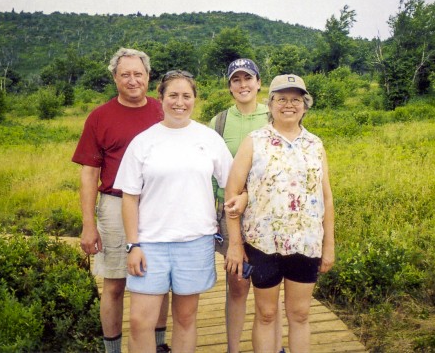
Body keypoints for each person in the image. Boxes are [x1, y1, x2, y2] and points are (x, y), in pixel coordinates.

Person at [113, 70, 233, 353]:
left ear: (194, 99)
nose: (180, 102)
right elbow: (129, 197)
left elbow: (232, 185)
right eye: (173, 95)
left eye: (186, 96)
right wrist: (133, 245)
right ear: (161, 98)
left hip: (196, 242)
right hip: (150, 243)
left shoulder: (209, 138)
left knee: (185, 317)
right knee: (140, 321)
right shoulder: (143, 141)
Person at [224, 74, 335, 353]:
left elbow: (326, 197)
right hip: (263, 244)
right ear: (270, 104)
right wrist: (235, 245)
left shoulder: (315, 144)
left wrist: (329, 245)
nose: (289, 105)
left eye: (296, 99)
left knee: (299, 315)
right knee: (266, 315)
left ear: (305, 105)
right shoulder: (254, 141)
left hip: (306, 243)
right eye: (282, 99)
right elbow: (232, 193)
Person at [72, 48, 171, 353]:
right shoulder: (99, 117)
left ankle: (158, 345)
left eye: (138, 74)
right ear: (114, 77)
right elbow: (89, 175)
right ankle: (112, 349)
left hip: (158, 205)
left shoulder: (162, 110)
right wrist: (89, 225)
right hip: (115, 205)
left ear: (148, 76)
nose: (132, 80)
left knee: (160, 280)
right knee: (114, 282)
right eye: (125, 74)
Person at [209, 58, 283, 353]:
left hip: (270, 212)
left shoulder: (274, 116)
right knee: (238, 284)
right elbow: (210, 171)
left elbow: (282, 167)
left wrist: (249, 195)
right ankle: (233, 349)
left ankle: (275, 347)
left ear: (259, 83)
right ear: (229, 86)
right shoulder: (219, 122)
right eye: (236, 80)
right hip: (230, 213)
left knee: (270, 287)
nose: (243, 85)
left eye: (248, 78)